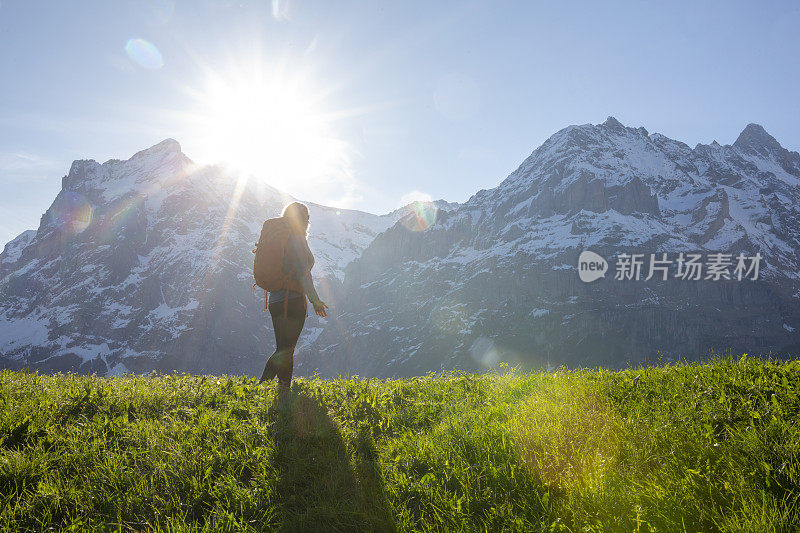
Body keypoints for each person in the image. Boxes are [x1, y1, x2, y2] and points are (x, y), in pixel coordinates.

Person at [258, 202, 328, 392]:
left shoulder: (281, 235)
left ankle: (262, 388)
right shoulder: (297, 239)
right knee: (287, 349)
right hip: (293, 300)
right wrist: (315, 300)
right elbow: (303, 273)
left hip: (275, 300)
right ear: (303, 219)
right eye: (307, 217)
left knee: (282, 348)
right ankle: (283, 392)